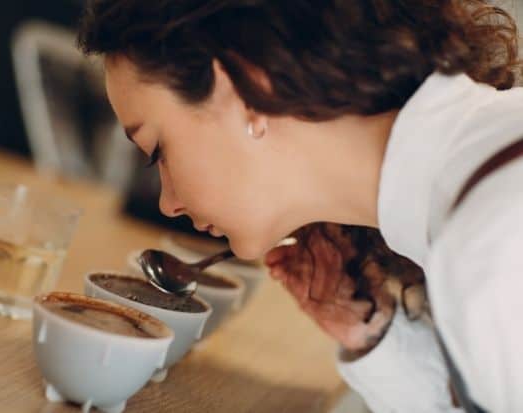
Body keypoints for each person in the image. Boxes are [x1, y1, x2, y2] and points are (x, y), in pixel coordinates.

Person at [76, 1, 523, 411]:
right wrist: (369, 329)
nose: (168, 202)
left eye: (159, 151)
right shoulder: (472, 201)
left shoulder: (494, 245)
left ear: (245, 87)